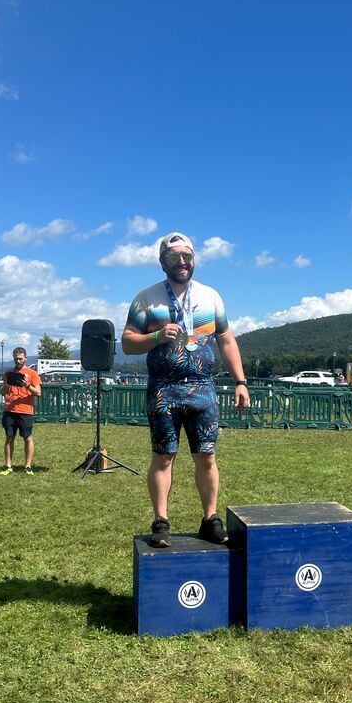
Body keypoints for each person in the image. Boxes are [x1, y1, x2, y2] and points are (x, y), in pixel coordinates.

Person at [121, 231, 250, 547]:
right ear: (162, 261)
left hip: (203, 390)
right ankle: (161, 521)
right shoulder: (146, 299)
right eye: (174, 257)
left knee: (207, 457)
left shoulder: (211, 297)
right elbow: (127, 343)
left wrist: (241, 381)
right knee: (163, 457)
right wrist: (156, 337)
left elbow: (226, 340)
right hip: (164, 391)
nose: (181, 262)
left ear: (194, 260)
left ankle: (210, 519)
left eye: (187, 256)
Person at [0, 346, 42, 476]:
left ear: (25, 358)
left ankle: (28, 466)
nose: (18, 361)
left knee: (27, 437)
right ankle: (8, 466)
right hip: (9, 410)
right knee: (9, 437)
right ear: (13, 358)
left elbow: (38, 392)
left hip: (25, 411)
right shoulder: (8, 373)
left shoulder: (32, 373)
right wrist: (7, 384)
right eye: (16, 359)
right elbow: (2, 392)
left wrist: (26, 385)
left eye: (21, 359)